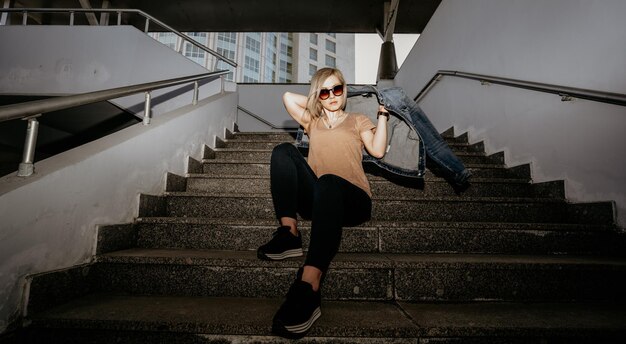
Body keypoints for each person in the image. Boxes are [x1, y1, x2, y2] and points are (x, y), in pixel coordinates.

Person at [257, 68, 389, 339]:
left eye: (337, 89)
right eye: (324, 91)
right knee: (283, 151)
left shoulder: (356, 120)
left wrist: (383, 115)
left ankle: (309, 284)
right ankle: (289, 233)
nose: (331, 96)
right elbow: (288, 97)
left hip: (353, 199)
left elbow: (378, 150)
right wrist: (317, 99)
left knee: (329, 180)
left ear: (345, 89)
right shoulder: (312, 122)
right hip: (319, 199)